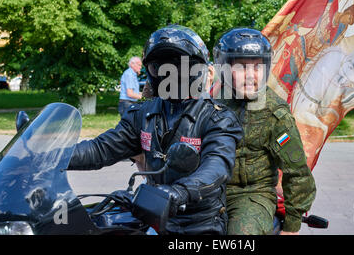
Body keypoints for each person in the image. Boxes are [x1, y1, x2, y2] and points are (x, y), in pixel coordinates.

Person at [68, 25, 243, 235]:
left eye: (181, 66)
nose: (171, 74)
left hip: (200, 223)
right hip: (154, 217)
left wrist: (180, 192)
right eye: (160, 66)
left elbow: (217, 166)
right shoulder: (142, 113)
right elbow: (100, 149)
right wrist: (50, 155)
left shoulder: (218, 118)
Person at [212, 27, 316, 235]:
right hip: (209, 193)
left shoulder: (274, 113)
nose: (251, 75)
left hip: (252, 195)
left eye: (257, 67)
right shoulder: (211, 104)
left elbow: (297, 173)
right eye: (241, 67)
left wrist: (292, 226)